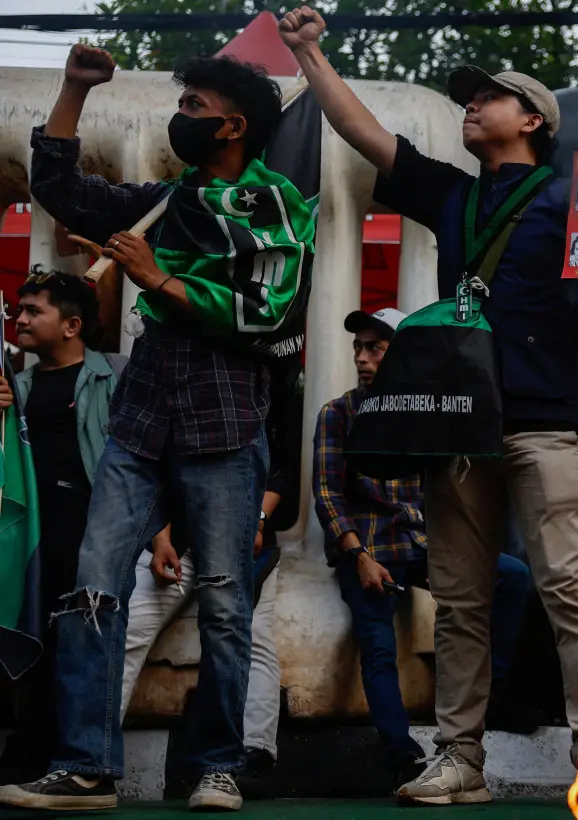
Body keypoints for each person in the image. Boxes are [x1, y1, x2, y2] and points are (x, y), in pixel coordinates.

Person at [280, 4, 578, 804]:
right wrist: (309, 55)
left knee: (569, 589)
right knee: (460, 601)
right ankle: (460, 761)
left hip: (539, 421)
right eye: (468, 97)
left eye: (489, 96)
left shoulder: (574, 198)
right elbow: (364, 132)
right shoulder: (456, 197)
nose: (471, 104)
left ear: (533, 119)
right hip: (457, 428)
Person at [0, 46, 296, 813]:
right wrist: (74, 88)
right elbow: (56, 185)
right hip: (143, 413)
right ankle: (87, 768)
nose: (182, 118)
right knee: (93, 590)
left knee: (227, 600)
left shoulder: (279, 205)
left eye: (194, 107)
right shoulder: (160, 200)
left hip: (226, 415)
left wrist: (156, 278)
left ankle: (217, 769)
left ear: (233, 126)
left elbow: (268, 312)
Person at [313, 307, 535, 794]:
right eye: (358, 348)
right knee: (376, 639)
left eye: (376, 347)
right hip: (368, 551)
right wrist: (358, 557)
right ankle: (402, 756)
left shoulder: (423, 410)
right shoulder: (338, 413)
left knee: (513, 576)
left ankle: (489, 693)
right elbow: (327, 493)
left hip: (422, 545)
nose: (363, 357)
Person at [117, 363, 303, 793]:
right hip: (178, 537)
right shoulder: (176, 377)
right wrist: (159, 536)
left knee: (250, 635)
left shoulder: (281, 385)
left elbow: (284, 469)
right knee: (130, 628)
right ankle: (96, 751)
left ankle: (253, 753)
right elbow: (153, 466)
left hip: (243, 535)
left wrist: (256, 521)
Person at [0, 270, 124, 786]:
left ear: (72, 325)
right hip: (33, 537)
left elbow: (137, 461)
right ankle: (28, 757)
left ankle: (83, 766)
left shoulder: (111, 377)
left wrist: (159, 535)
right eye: (19, 310)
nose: (20, 319)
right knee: (33, 639)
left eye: (34, 311)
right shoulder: (17, 386)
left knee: (85, 645)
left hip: (93, 532)